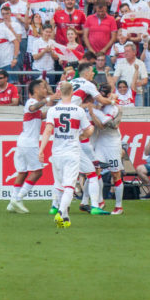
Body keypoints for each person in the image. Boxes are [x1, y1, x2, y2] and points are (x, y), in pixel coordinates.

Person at [39, 82, 94, 228]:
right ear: (72, 93)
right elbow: (89, 130)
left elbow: (48, 131)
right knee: (69, 185)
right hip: (72, 151)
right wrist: (82, 136)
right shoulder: (78, 110)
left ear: (59, 92)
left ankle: (65, 216)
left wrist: (41, 150)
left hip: (57, 152)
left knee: (58, 184)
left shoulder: (53, 110)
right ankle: (61, 211)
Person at [7, 79, 54, 213]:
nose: (45, 90)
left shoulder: (34, 105)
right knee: (38, 171)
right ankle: (19, 198)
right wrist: (49, 98)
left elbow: (41, 115)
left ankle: (12, 201)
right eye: (43, 88)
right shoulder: (31, 102)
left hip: (23, 142)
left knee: (22, 172)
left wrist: (56, 108)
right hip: (29, 143)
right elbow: (34, 108)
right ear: (36, 90)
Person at [88, 86, 125, 215]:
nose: (101, 97)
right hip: (100, 142)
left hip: (112, 144)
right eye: (100, 95)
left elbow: (106, 124)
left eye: (104, 95)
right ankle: (100, 200)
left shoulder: (113, 108)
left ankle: (118, 206)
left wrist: (93, 113)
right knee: (95, 170)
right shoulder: (99, 105)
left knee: (116, 174)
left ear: (109, 94)